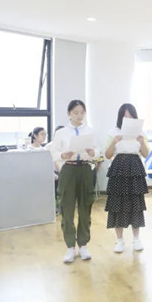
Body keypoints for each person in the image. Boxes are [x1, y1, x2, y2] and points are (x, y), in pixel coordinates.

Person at [49, 100, 97, 263]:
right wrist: (63, 155)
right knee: (67, 207)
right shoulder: (61, 133)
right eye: (76, 112)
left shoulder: (89, 131)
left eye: (82, 112)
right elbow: (53, 153)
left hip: (85, 168)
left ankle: (83, 244)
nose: (79, 116)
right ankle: (70, 246)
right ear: (69, 114)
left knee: (85, 206)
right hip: (68, 169)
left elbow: (98, 152)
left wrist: (93, 152)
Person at [104, 103, 149, 253]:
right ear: (120, 118)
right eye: (125, 117)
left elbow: (145, 154)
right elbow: (108, 155)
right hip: (118, 169)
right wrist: (114, 142)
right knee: (117, 204)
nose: (128, 119)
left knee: (136, 204)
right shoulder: (113, 132)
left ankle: (136, 239)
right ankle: (119, 240)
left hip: (135, 168)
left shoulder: (141, 133)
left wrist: (141, 142)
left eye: (131, 117)